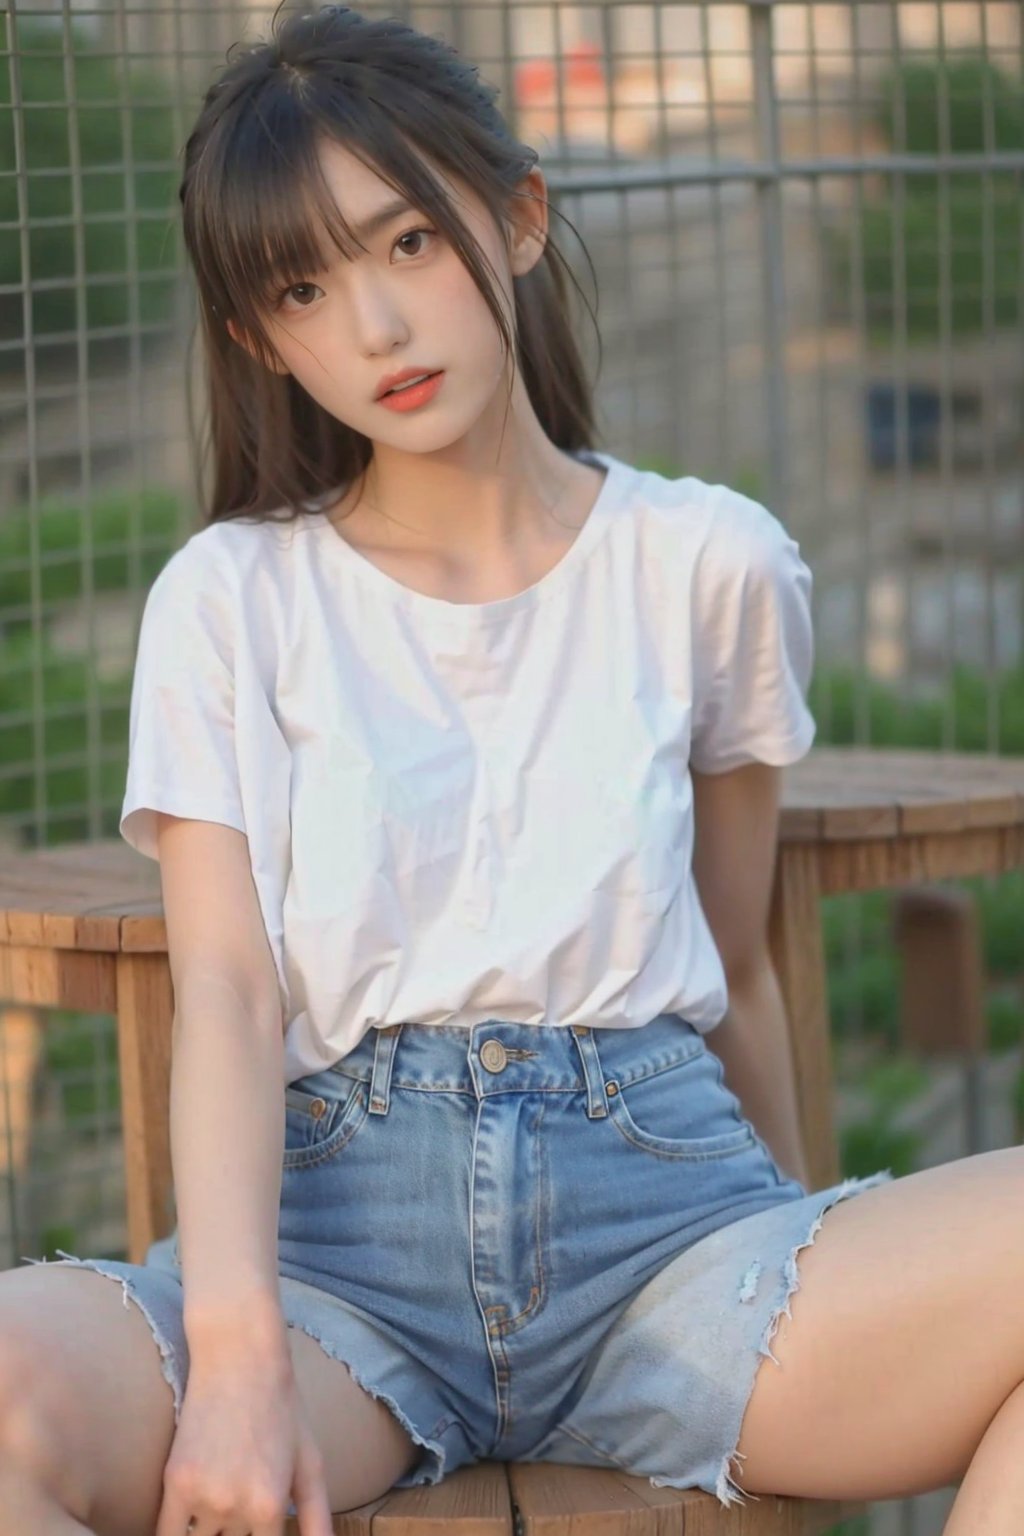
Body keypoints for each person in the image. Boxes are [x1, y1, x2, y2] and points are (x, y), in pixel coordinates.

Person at [4, 6, 1024, 1535]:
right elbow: (223, 988)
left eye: (407, 240)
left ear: (520, 216)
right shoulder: (231, 599)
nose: (376, 327)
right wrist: (234, 1358)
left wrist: (815, 1254)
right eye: (304, 285)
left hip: (672, 1242)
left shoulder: (710, 563)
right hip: (334, 1265)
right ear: (255, 337)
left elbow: (731, 951)